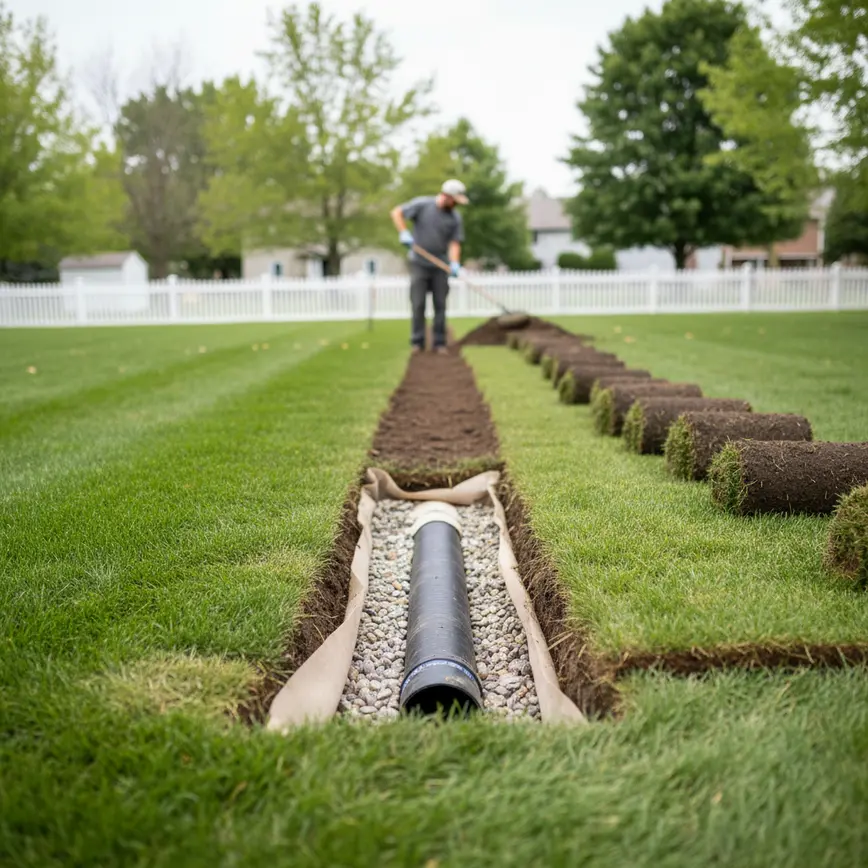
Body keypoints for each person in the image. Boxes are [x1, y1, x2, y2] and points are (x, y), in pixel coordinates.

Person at [390, 179, 468, 353]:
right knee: (418, 304)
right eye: (454, 200)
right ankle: (417, 342)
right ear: (447, 196)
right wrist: (404, 232)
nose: (456, 204)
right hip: (419, 263)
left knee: (440, 305)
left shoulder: (455, 217)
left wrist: (454, 263)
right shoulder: (422, 205)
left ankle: (439, 343)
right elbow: (396, 212)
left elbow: (455, 243)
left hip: (441, 266)